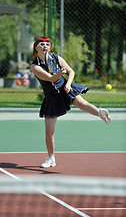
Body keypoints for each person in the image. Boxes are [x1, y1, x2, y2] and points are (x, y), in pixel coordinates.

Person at [31, 36, 111, 168]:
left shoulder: (57, 58)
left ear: (50, 48)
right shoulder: (35, 67)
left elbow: (71, 71)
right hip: (52, 96)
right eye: (42, 44)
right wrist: (60, 72)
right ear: (37, 47)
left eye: (47, 44)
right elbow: (51, 78)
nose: (45, 46)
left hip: (65, 88)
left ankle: (100, 113)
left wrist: (68, 83)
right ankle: (51, 158)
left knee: (82, 103)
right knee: (49, 132)